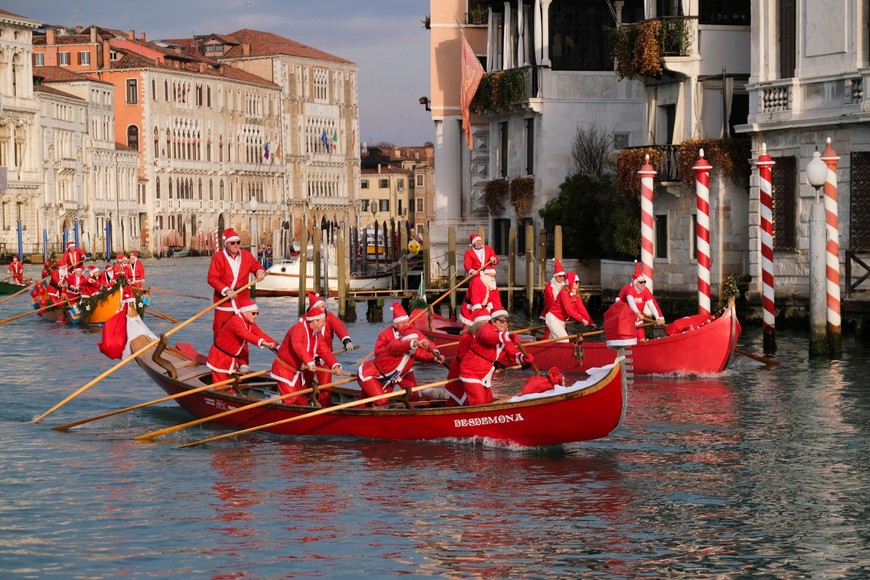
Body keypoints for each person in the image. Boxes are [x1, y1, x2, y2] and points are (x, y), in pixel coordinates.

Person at [356, 302, 445, 407]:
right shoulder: (386, 336)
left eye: (407, 322)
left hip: (403, 371)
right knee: (379, 401)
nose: (406, 325)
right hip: (383, 371)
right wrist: (411, 344)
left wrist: (435, 357)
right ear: (395, 324)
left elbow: (425, 345)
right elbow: (381, 353)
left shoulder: (411, 331)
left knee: (414, 397)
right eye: (403, 323)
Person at [456, 309, 533, 406]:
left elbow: (511, 352)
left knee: (488, 400)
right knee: (479, 402)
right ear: (493, 321)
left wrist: (522, 358)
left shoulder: (504, 334)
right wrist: (507, 336)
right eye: (501, 321)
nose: (504, 323)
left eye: (507, 321)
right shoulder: (485, 329)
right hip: (472, 371)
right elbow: (488, 337)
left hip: (485, 373)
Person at [271, 304, 342, 406]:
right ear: (315, 321)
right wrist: (310, 362)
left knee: (301, 398)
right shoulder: (297, 329)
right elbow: (298, 346)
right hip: (285, 370)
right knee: (292, 400)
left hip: (299, 371)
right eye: (322, 322)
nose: (324, 324)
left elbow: (325, 351)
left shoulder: (317, 335)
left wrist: (335, 365)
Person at [207, 227, 266, 339]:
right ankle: (218, 355)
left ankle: (240, 355)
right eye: (232, 242)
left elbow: (256, 266)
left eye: (238, 242)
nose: (236, 245)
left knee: (242, 333)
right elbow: (212, 278)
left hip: (242, 303)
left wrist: (260, 272)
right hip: (224, 303)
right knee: (220, 333)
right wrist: (226, 290)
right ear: (226, 244)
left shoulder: (246, 255)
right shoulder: (218, 258)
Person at [207, 303, 277, 390]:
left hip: (231, 359)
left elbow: (260, 334)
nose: (255, 316)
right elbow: (246, 335)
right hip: (220, 357)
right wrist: (265, 343)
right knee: (221, 386)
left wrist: (277, 346)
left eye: (257, 313)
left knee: (228, 382)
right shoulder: (236, 321)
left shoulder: (249, 323)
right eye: (253, 313)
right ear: (245, 312)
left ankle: (230, 393)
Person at [306, 291, 354, 393]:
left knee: (326, 388)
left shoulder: (329, 316)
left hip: (326, 358)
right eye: (320, 307)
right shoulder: (305, 320)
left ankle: (325, 404)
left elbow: (339, 327)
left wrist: (346, 340)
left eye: (323, 306)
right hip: (308, 359)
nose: (322, 309)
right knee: (305, 385)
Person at [445, 308, 491, 407]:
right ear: (478, 325)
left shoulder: (488, 336)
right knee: (457, 397)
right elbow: (463, 356)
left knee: (485, 396)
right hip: (462, 370)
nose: (488, 327)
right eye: (485, 324)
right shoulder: (466, 337)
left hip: (480, 372)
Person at [618, 262, 665, 340]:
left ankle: (642, 344)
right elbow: (631, 302)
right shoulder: (630, 289)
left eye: (644, 282)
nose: (643, 284)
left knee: (642, 339)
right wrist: (637, 312)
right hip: (627, 319)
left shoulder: (646, 290)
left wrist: (657, 318)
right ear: (635, 283)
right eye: (641, 282)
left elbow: (651, 305)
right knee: (628, 340)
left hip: (639, 319)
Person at [545, 272, 595, 341]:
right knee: (565, 340)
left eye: (579, 282)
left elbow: (581, 308)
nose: (578, 284)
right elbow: (568, 309)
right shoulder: (564, 293)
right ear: (570, 282)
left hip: (561, 321)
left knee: (553, 342)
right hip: (553, 319)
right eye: (576, 282)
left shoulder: (576, 293)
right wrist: (581, 319)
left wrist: (590, 321)